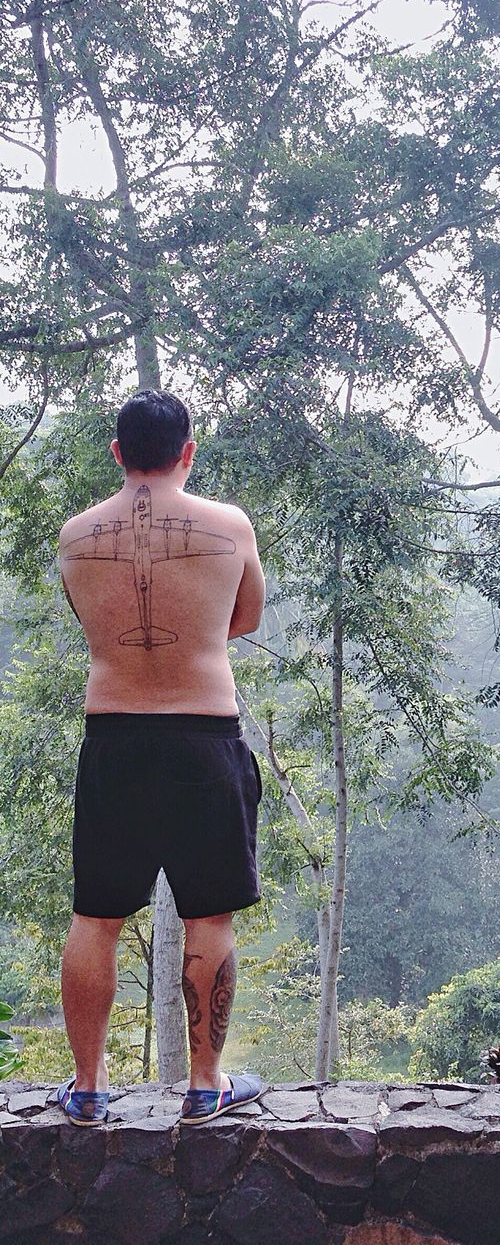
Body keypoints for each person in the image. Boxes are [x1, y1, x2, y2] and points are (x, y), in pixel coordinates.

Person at [55, 390, 267, 1126]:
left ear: (117, 452)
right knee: (210, 915)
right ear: (188, 452)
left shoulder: (77, 535)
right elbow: (247, 615)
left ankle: (87, 1089)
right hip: (204, 733)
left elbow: (90, 623)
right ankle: (205, 1086)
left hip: (113, 735)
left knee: (96, 915)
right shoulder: (227, 525)